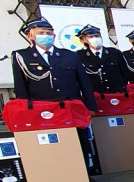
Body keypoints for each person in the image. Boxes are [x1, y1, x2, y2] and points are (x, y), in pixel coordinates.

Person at [11, 17, 98, 171]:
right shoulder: (22, 56)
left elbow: (84, 82)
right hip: (43, 109)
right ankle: (57, 172)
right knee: (51, 142)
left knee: (79, 141)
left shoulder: (69, 55)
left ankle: (82, 173)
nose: (46, 35)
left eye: (49, 33)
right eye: (41, 33)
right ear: (30, 36)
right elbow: (21, 86)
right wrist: (25, 110)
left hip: (71, 107)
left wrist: (90, 105)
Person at [76, 24, 131, 94]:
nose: (95, 38)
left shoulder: (114, 52)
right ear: (84, 39)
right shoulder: (80, 55)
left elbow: (125, 73)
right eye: (91, 37)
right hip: (96, 95)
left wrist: (122, 88)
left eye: (97, 36)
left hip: (117, 93)